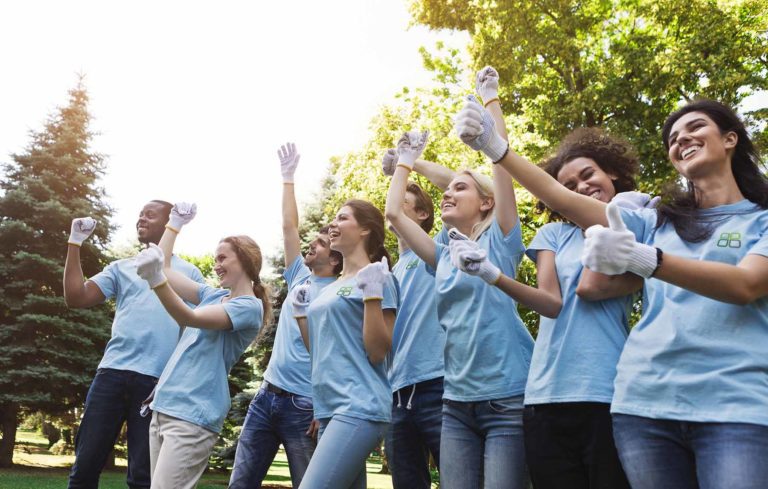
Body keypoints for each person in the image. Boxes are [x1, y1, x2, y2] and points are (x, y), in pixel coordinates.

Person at [456, 98, 768, 488]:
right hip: (645, 406)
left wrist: (645, 259)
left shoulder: (761, 219)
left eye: (695, 127)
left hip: (736, 407)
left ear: (730, 138)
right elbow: (562, 199)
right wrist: (496, 148)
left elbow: (747, 285)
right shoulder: (658, 219)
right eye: (673, 137)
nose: (682, 138)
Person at [385, 66, 533, 489]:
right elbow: (394, 213)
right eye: (449, 191)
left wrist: (490, 101)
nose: (448, 193)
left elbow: (502, 167)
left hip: (505, 399)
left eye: (460, 189)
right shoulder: (443, 256)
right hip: (456, 404)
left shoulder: (502, 240)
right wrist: (405, 163)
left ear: (486, 204)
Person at [522, 128, 648, 489]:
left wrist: (643, 276)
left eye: (587, 174)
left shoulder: (638, 223)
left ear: (611, 171)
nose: (581, 186)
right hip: (545, 393)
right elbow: (557, 299)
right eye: (569, 185)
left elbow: (591, 288)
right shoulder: (553, 236)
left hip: (606, 388)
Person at [63, 201, 204, 489]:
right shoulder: (121, 268)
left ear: (169, 223)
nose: (141, 218)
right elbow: (75, 297)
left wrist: (173, 379)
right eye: (139, 213)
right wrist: (74, 242)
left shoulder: (188, 274)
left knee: (143, 477)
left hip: (155, 384)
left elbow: (197, 329)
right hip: (111, 375)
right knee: (84, 468)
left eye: (150, 214)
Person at [133, 203, 270, 489]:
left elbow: (190, 317)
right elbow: (167, 265)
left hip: (192, 416)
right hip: (165, 407)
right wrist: (174, 223)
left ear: (244, 260)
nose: (216, 265)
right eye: (215, 258)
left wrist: (156, 279)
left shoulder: (248, 307)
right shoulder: (212, 295)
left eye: (223, 258)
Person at [229, 143, 342, 489]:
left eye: (321, 243)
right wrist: (288, 177)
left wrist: (324, 408)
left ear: (335, 259)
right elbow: (289, 227)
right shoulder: (300, 277)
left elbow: (338, 358)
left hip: (304, 407)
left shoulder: (341, 293)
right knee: (240, 484)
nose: (311, 245)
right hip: (266, 397)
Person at [294, 199, 398, 489]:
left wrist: (373, 293)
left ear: (365, 229)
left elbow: (378, 352)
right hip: (329, 408)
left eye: (342, 218)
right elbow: (319, 350)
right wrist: (301, 315)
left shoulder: (379, 278)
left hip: (359, 405)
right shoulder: (333, 286)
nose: (332, 225)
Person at [381, 150, 448, 489]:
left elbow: (459, 185)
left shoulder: (439, 251)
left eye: (401, 199)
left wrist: (409, 161)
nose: (390, 206)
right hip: (396, 395)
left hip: (439, 386)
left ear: (422, 214)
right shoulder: (387, 273)